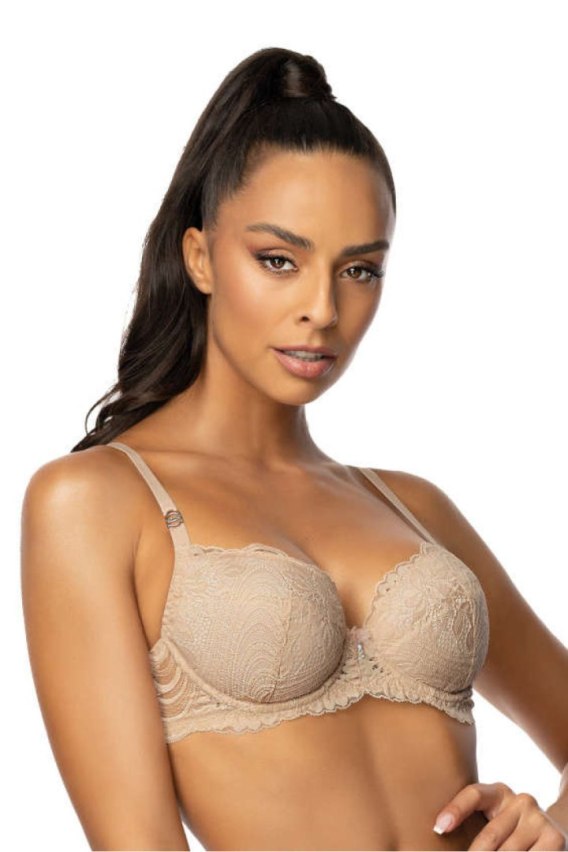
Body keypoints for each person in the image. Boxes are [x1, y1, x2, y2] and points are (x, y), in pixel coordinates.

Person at [21, 47, 568, 852]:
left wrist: (552, 828)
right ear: (200, 257)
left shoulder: (413, 507)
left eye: (360, 270)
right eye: (278, 260)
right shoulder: (95, 502)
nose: (323, 309)